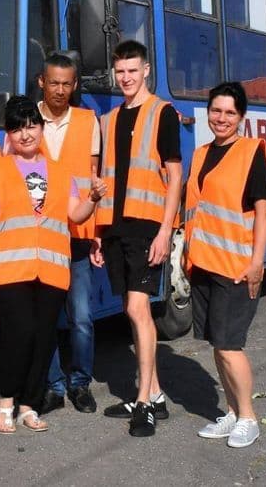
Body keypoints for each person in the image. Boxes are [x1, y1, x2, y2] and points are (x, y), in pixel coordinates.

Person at [0, 95, 107, 433]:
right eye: (17, 128)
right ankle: (5, 399)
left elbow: (74, 215)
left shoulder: (61, 172)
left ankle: (29, 402)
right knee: (21, 331)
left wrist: (93, 198)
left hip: (52, 268)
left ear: (41, 128)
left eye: (31, 125)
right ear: (8, 136)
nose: (25, 134)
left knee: (44, 337)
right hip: (8, 267)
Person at [96, 40, 182, 438]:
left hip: (148, 226)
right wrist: (98, 232)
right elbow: (104, 179)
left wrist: (166, 229)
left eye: (133, 70)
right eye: (121, 71)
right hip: (115, 227)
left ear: (146, 70)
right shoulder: (108, 120)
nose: (126, 78)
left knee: (137, 309)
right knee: (133, 311)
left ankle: (144, 403)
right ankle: (156, 394)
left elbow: (174, 175)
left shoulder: (163, 113)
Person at [184, 81, 266, 449]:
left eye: (229, 113)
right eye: (216, 111)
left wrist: (257, 263)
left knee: (229, 345)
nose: (221, 118)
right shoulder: (202, 153)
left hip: (236, 267)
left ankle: (249, 418)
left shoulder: (250, 151)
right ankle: (232, 412)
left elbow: (264, 210)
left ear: (241, 117)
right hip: (204, 264)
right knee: (216, 345)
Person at [35, 54, 102, 415]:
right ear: (41, 82)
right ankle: (53, 386)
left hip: (77, 232)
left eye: (67, 83)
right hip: (40, 234)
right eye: (54, 82)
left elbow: (93, 180)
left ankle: (80, 384)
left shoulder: (88, 121)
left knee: (81, 318)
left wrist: (97, 234)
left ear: (75, 85)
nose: (60, 90)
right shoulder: (29, 120)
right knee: (46, 317)